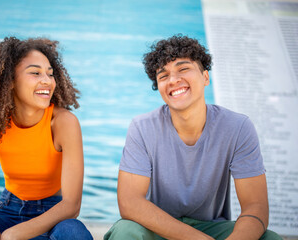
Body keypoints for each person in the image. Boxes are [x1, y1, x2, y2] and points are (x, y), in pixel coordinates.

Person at [104, 34, 281, 240]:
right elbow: (130, 202)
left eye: (183, 69)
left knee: (270, 239)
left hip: (211, 227)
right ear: (159, 87)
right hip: (159, 228)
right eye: (163, 76)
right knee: (125, 231)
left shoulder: (238, 127)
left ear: (206, 77)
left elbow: (255, 207)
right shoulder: (142, 128)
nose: (173, 80)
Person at [0, 37, 93, 239]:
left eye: (50, 74)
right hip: (7, 209)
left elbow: (71, 205)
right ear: (10, 80)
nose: (47, 80)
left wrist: (15, 235)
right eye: (35, 73)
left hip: (54, 214)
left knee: (74, 232)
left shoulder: (64, 123)